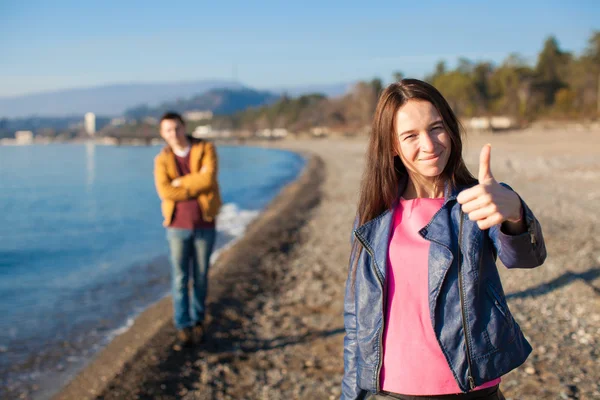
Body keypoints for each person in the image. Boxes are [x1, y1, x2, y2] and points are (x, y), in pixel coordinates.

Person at [341, 79, 546, 400]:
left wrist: (516, 213)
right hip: (391, 390)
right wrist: (350, 394)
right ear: (392, 145)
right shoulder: (375, 215)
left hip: (469, 389)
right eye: (410, 135)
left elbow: (524, 257)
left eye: (436, 128)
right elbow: (357, 316)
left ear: (450, 129)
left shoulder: (477, 200)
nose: (429, 144)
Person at [154, 111, 222, 347]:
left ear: (184, 127)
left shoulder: (205, 149)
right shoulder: (161, 159)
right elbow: (165, 192)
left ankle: (199, 320)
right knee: (180, 278)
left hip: (205, 222)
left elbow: (209, 179)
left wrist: (181, 182)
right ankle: (183, 325)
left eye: (176, 128)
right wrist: (196, 181)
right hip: (176, 226)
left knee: (201, 277)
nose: (173, 134)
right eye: (168, 130)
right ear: (163, 134)